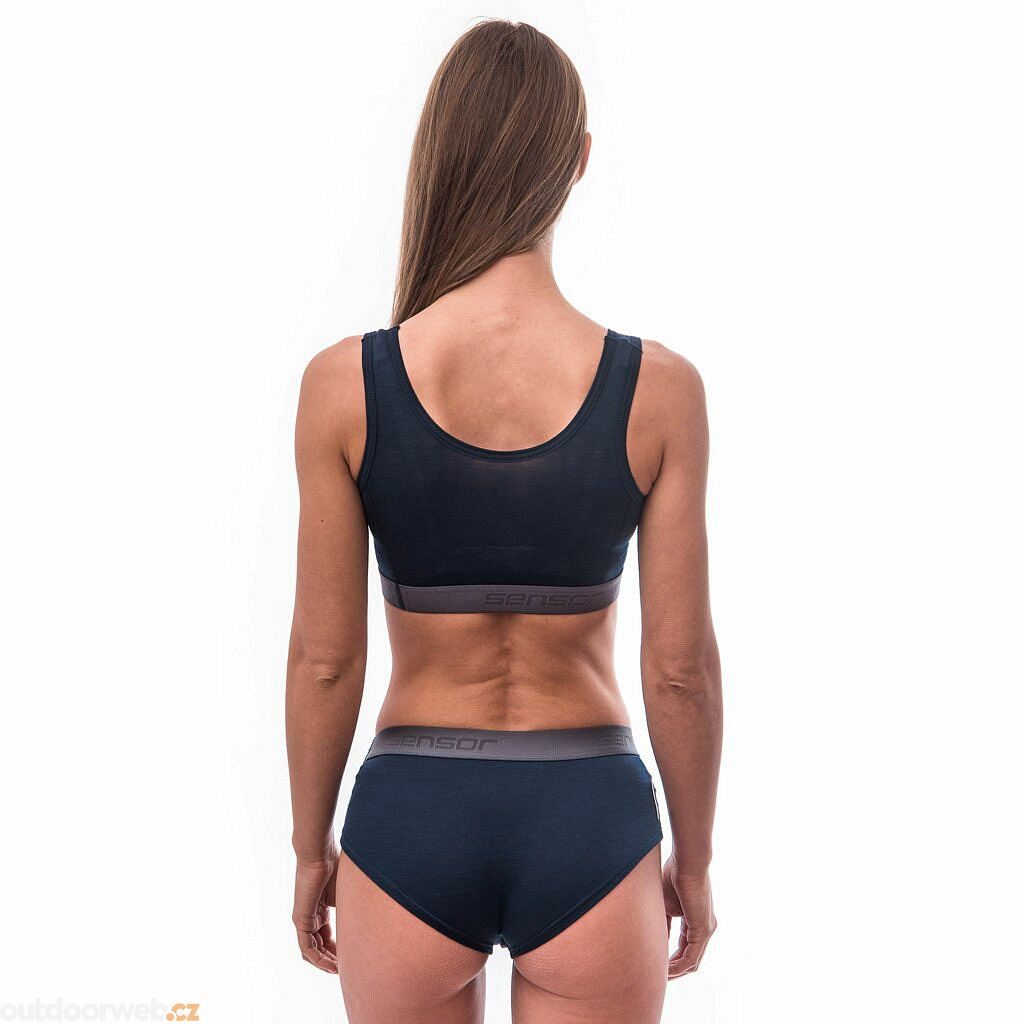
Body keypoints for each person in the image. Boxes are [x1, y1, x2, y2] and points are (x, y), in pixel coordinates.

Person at [286, 19, 722, 1024]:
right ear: (578, 159)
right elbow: (679, 670)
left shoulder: (345, 386)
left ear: (439, 153)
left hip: (410, 818)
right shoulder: (659, 391)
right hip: (590, 817)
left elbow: (324, 660)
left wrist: (312, 851)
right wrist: (693, 863)